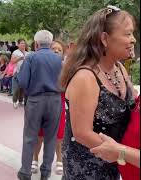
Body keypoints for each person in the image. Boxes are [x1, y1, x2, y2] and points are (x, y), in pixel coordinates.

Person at [59, 5, 138, 180]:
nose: (133, 39)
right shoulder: (85, 77)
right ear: (104, 38)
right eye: (127, 34)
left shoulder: (119, 69)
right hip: (87, 170)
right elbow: (82, 133)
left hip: (113, 166)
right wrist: (123, 155)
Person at [17, 30, 62, 180]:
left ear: (36, 43)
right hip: (55, 100)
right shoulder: (59, 59)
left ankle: (25, 172)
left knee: (30, 137)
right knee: (51, 137)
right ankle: (45, 173)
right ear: (50, 43)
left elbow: (22, 82)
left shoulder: (31, 58)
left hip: (35, 100)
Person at [31, 40, 66, 175]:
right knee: (39, 134)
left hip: (58, 105)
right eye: (53, 49)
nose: (56, 51)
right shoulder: (39, 66)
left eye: (59, 49)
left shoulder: (66, 68)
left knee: (59, 135)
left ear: (63, 54)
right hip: (40, 105)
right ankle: (34, 159)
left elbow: (66, 88)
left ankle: (59, 160)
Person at [10, 39, 28, 109]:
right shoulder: (15, 52)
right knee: (16, 88)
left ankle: (21, 101)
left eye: (24, 43)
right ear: (18, 45)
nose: (23, 45)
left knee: (22, 88)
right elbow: (12, 61)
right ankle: (15, 101)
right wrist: (19, 59)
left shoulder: (27, 53)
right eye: (21, 43)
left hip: (24, 73)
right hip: (17, 72)